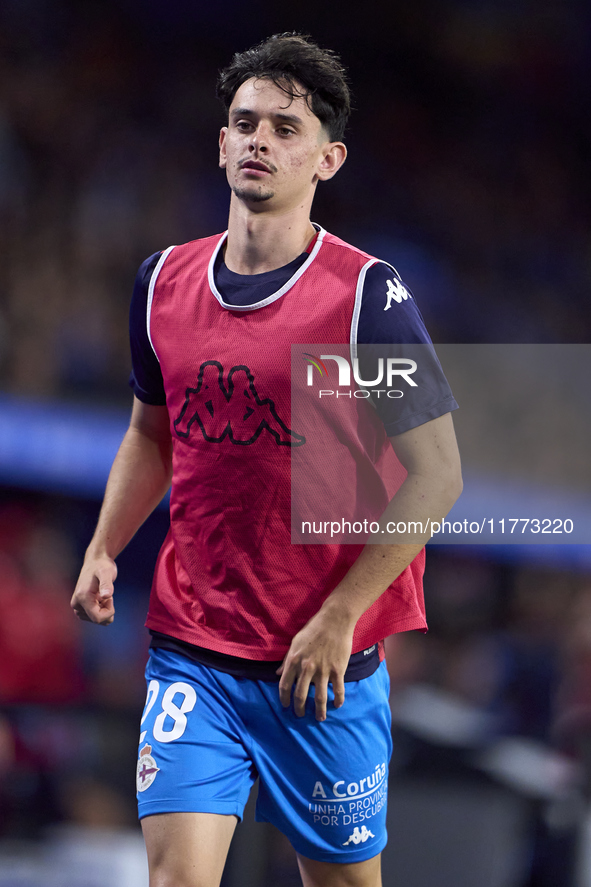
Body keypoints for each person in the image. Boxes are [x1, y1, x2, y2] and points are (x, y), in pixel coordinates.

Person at [71, 32, 462, 887]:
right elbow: (149, 432)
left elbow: (437, 475)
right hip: (195, 650)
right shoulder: (161, 282)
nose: (259, 140)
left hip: (321, 662)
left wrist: (339, 616)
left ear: (328, 158)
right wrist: (104, 544)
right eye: (244, 123)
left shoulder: (368, 297)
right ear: (220, 144)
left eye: (286, 128)